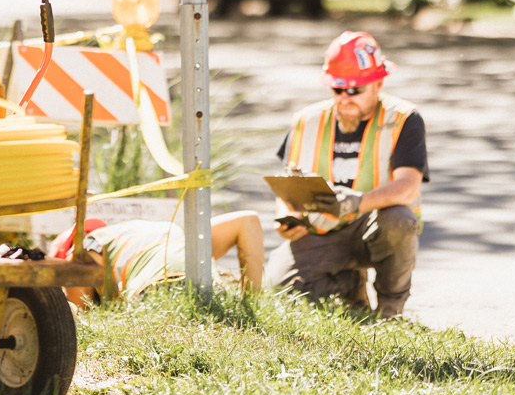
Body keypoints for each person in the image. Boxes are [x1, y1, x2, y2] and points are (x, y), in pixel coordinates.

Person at [265, 31, 427, 319]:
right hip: (322, 230)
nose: (345, 98)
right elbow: (288, 186)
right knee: (277, 290)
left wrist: (356, 202)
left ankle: (391, 308)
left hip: (375, 225)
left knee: (400, 220)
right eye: (338, 90)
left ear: (378, 83)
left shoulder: (403, 118)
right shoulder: (306, 121)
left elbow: (407, 186)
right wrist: (287, 219)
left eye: (355, 90)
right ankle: (351, 286)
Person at [51, 211, 264, 308]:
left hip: (153, 292)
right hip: (213, 290)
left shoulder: (86, 247)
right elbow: (247, 221)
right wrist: (249, 302)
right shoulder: (148, 231)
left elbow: (80, 311)